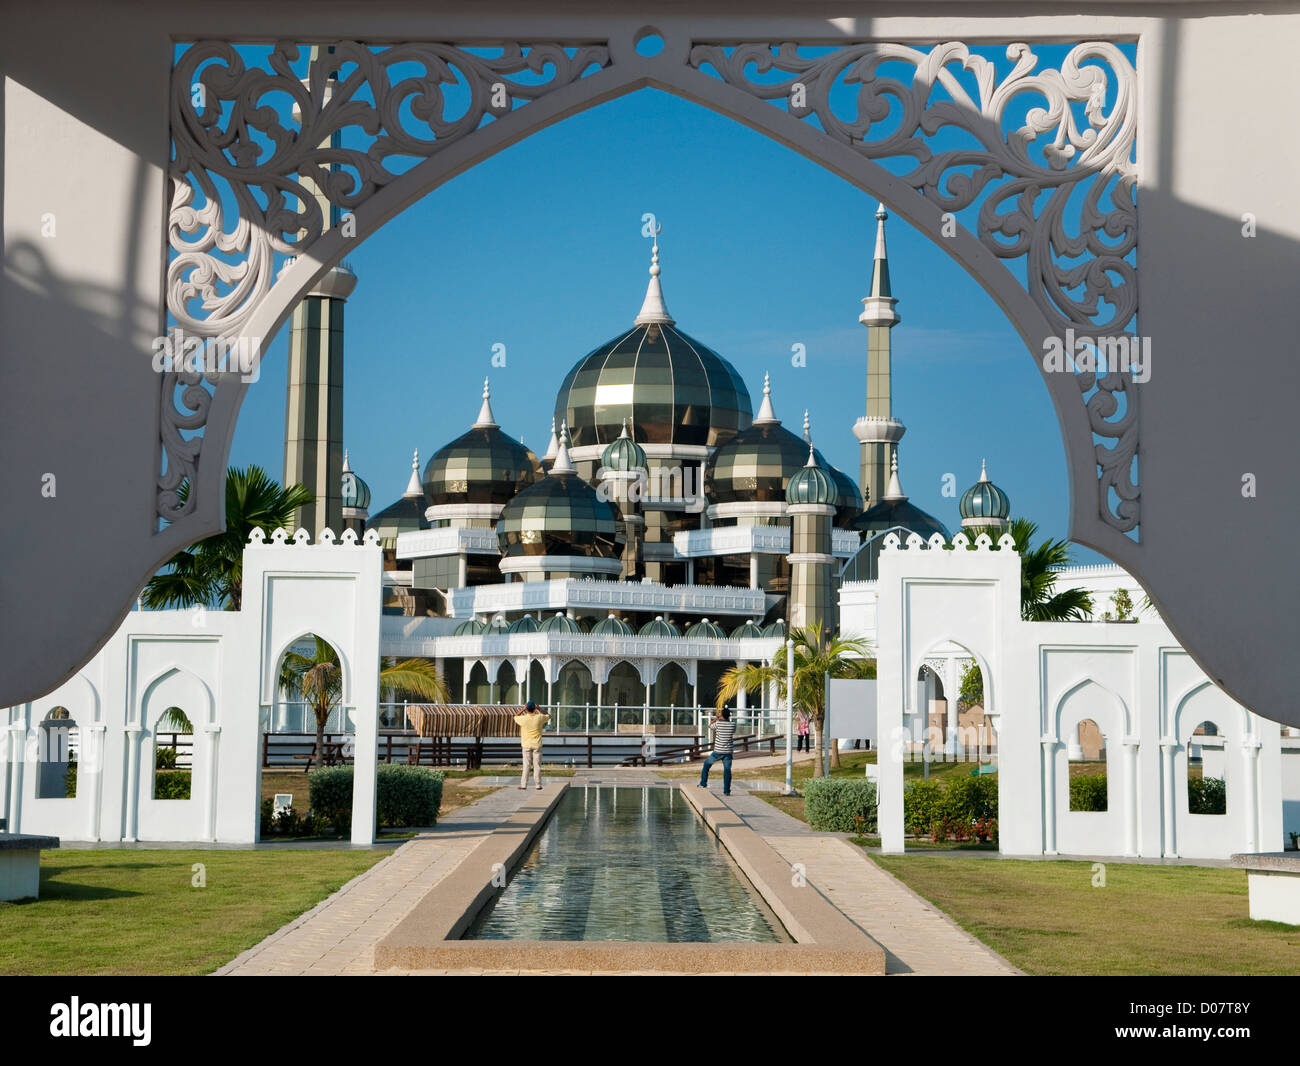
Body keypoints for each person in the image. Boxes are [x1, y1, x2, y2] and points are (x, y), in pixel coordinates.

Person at [700, 707, 736, 796]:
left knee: (706, 765)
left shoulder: (718, 724)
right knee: (727, 771)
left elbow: (709, 726)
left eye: (720, 713)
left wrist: (716, 718)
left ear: (722, 715)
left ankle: (703, 783)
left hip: (718, 752)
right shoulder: (733, 725)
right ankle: (726, 791)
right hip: (728, 752)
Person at [513, 700, 550, 790]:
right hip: (537, 744)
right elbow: (549, 716)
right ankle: (538, 785)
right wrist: (539, 708)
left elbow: (515, 716)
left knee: (526, 765)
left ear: (526, 709)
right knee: (537, 765)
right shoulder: (539, 717)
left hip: (526, 745)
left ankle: (524, 785)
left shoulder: (523, 719)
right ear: (534, 708)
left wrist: (522, 709)